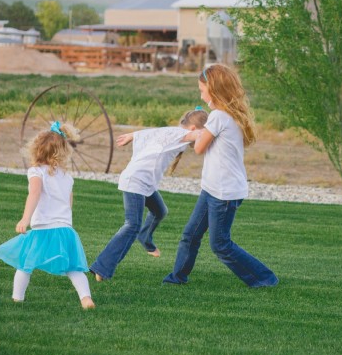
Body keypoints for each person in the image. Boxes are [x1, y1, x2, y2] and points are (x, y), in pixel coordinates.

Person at [163, 64, 278, 287]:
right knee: (191, 235)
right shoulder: (227, 116)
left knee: (220, 244)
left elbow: (199, 148)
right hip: (214, 188)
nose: (200, 94)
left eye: (202, 89)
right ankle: (177, 278)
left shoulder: (218, 116)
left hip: (224, 192)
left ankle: (264, 278)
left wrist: (186, 135)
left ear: (213, 89)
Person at [89, 108, 208, 281]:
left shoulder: (172, 132)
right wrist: (217, 129)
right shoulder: (181, 134)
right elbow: (200, 135)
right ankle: (102, 267)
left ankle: (144, 236)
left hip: (146, 183)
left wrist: (132, 135)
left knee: (160, 211)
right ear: (192, 128)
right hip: (136, 181)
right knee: (132, 224)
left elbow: (153, 131)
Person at [0, 121, 95, 309]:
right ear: (63, 152)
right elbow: (69, 202)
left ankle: (17, 298)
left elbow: (34, 194)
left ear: (36, 150)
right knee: (73, 267)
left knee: (25, 264)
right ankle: (85, 298)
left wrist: (25, 219)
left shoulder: (36, 172)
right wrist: (67, 221)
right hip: (65, 229)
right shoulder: (67, 177)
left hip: (43, 228)